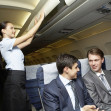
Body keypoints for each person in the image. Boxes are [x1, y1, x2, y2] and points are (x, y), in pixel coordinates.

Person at [0, 11, 44, 111]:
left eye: (14, 28)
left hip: (19, 77)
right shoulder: (4, 43)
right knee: (16, 106)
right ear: (3, 31)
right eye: (11, 28)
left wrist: (36, 25)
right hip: (13, 78)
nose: (14, 30)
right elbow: (28, 34)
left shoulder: (13, 46)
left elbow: (28, 41)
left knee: (23, 104)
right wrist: (40, 20)